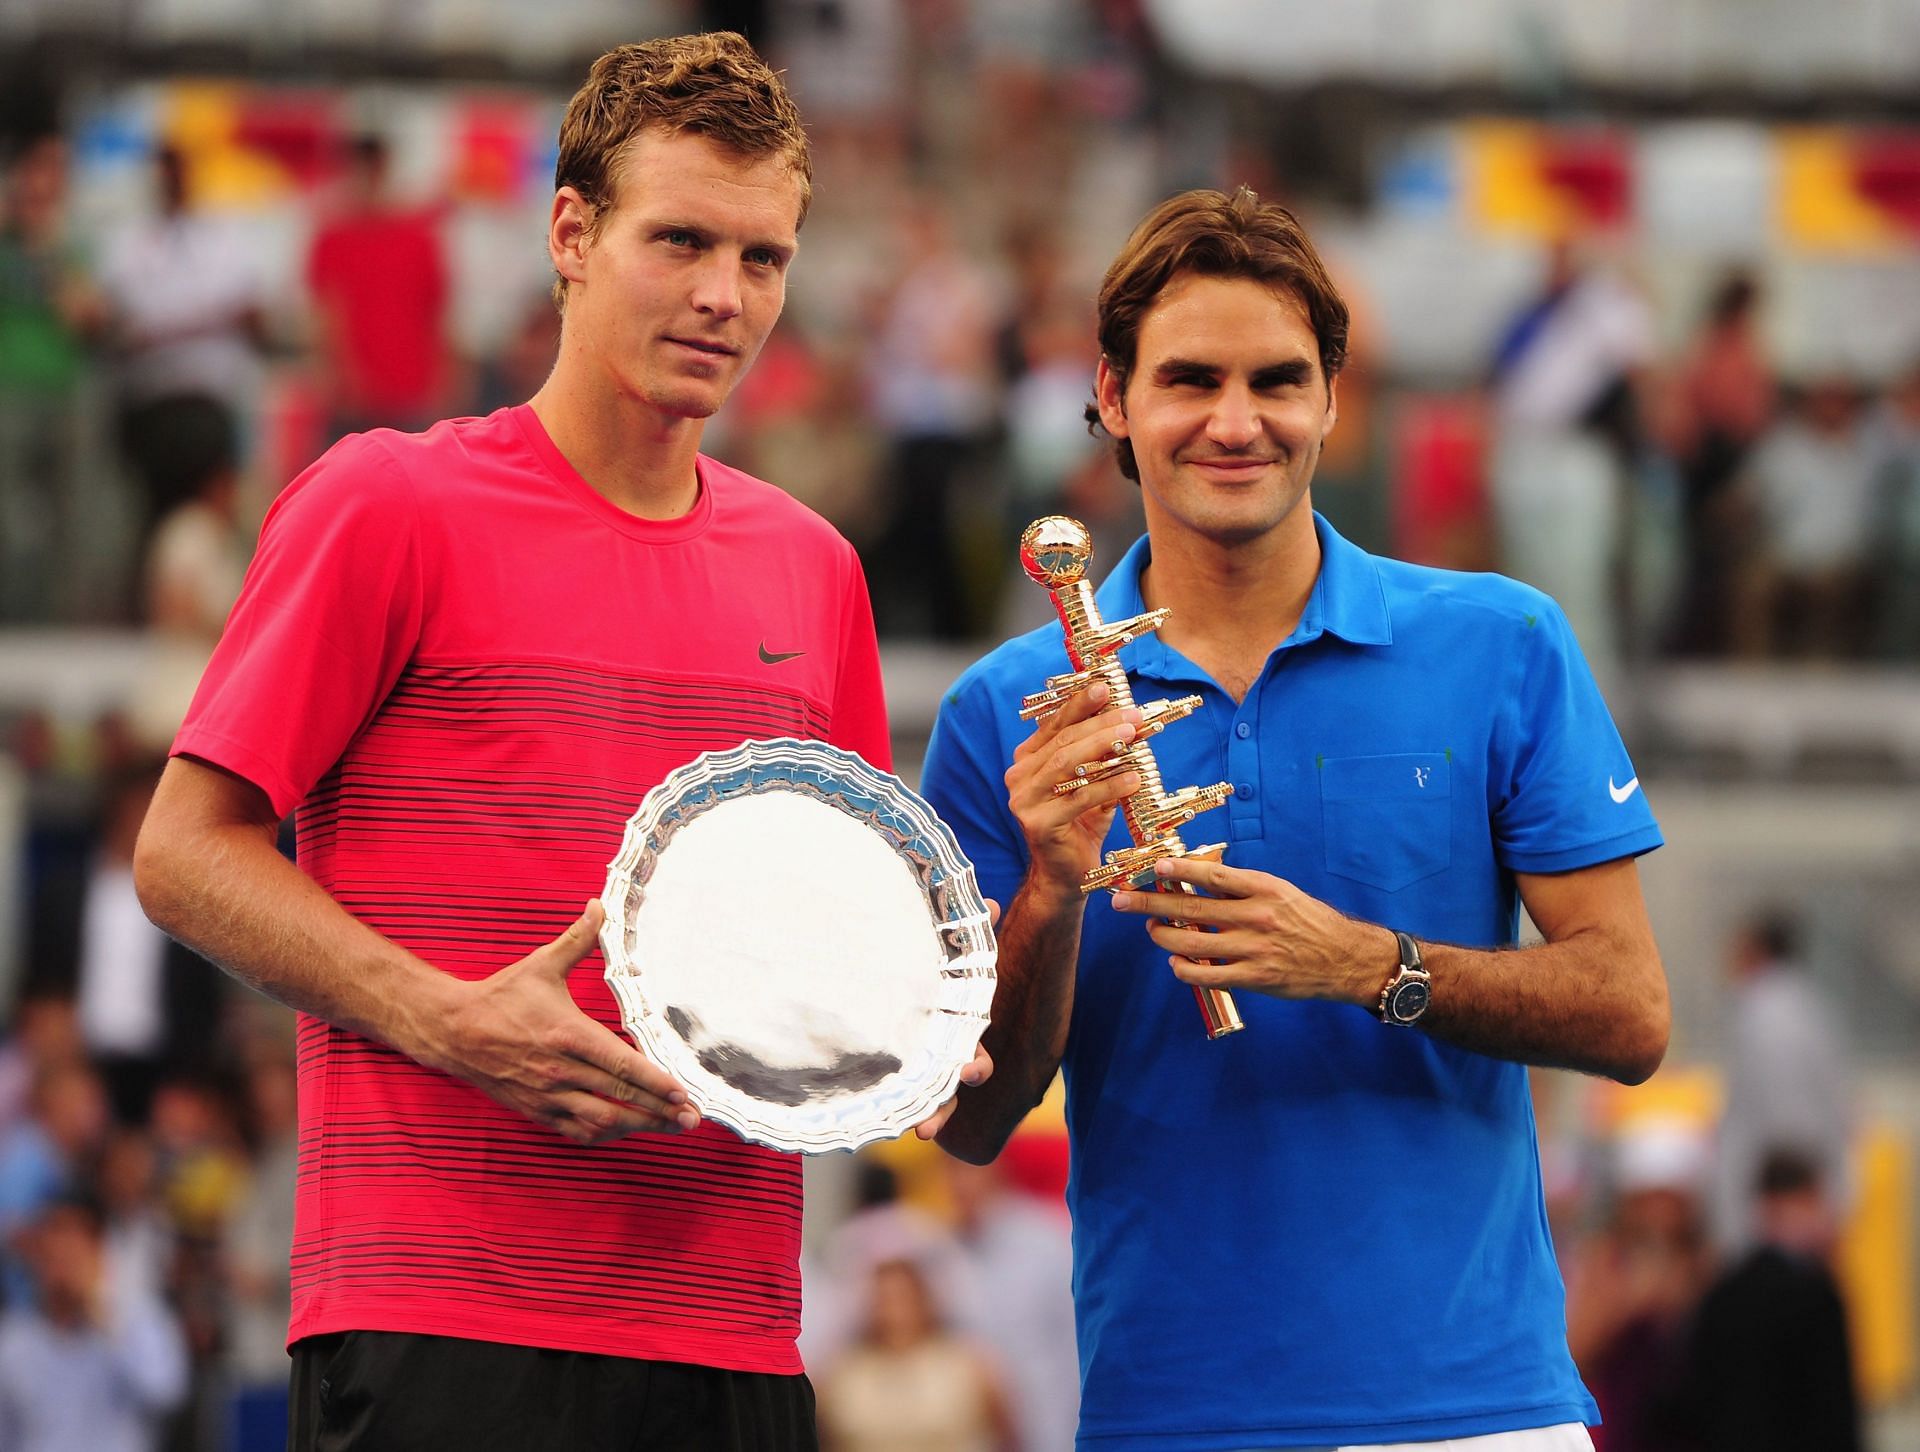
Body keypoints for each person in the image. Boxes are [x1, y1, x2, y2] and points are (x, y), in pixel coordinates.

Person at [133, 32, 983, 1452]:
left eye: (763, 259)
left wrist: (926, 1015)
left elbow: (830, 949)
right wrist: (440, 1016)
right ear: (571, 235)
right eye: (681, 241)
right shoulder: (387, 501)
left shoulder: (814, 568)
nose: (723, 296)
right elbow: (181, 855)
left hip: (731, 1338)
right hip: (435, 1330)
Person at [921, 186, 1669, 1450]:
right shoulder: (1007, 712)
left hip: (1476, 1411)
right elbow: (977, 1121)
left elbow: (1633, 1013)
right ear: (1111, 396)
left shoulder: (1503, 643)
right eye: (1189, 378)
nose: (1234, 420)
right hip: (1169, 1414)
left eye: (1276, 379)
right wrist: (1051, 885)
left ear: (1333, 394)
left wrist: (1372, 966)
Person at [0, 1193, 188, 1452]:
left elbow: (164, 1393)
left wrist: (102, 1312)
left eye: (74, 1251)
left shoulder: (138, 1316)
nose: (62, 1264)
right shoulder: (13, 1339)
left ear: (99, 1253)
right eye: (52, 1253)